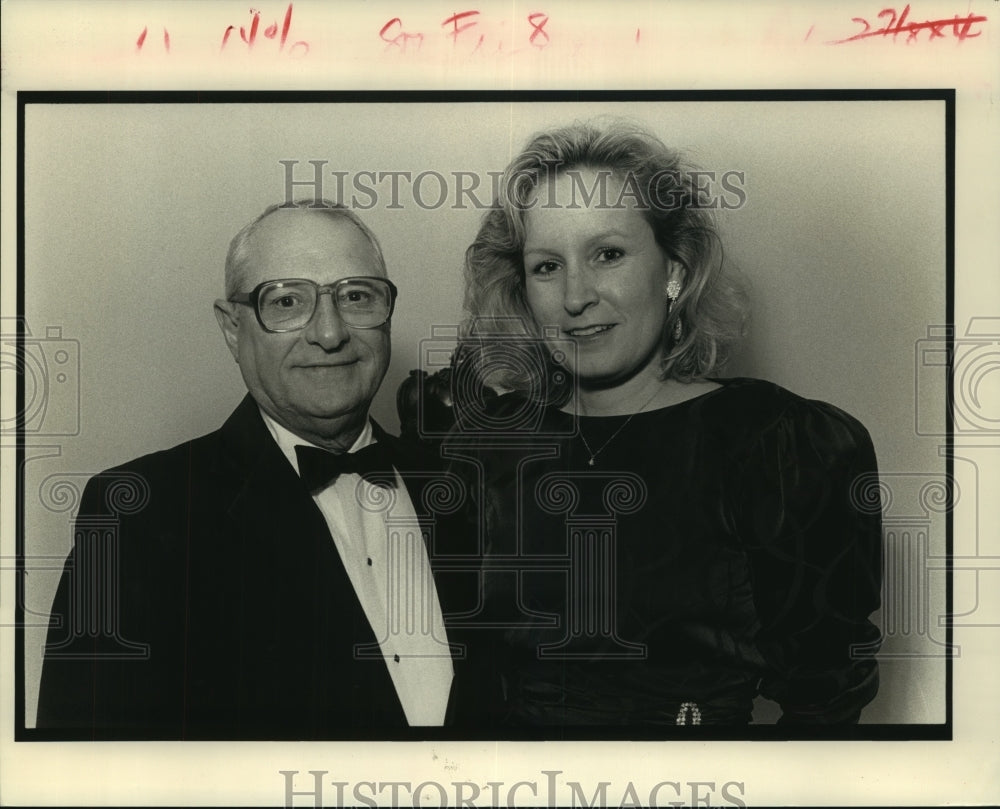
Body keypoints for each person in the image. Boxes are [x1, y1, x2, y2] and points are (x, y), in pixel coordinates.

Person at [450, 122, 883, 728]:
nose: (576, 296)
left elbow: (827, 702)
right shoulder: (491, 448)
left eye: (608, 254)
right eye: (547, 266)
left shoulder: (774, 444)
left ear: (674, 271)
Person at [36, 201, 475, 739]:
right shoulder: (138, 514)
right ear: (231, 327)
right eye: (287, 301)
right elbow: (83, 769)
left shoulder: (466, 487)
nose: (331, 332)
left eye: (356, 296)